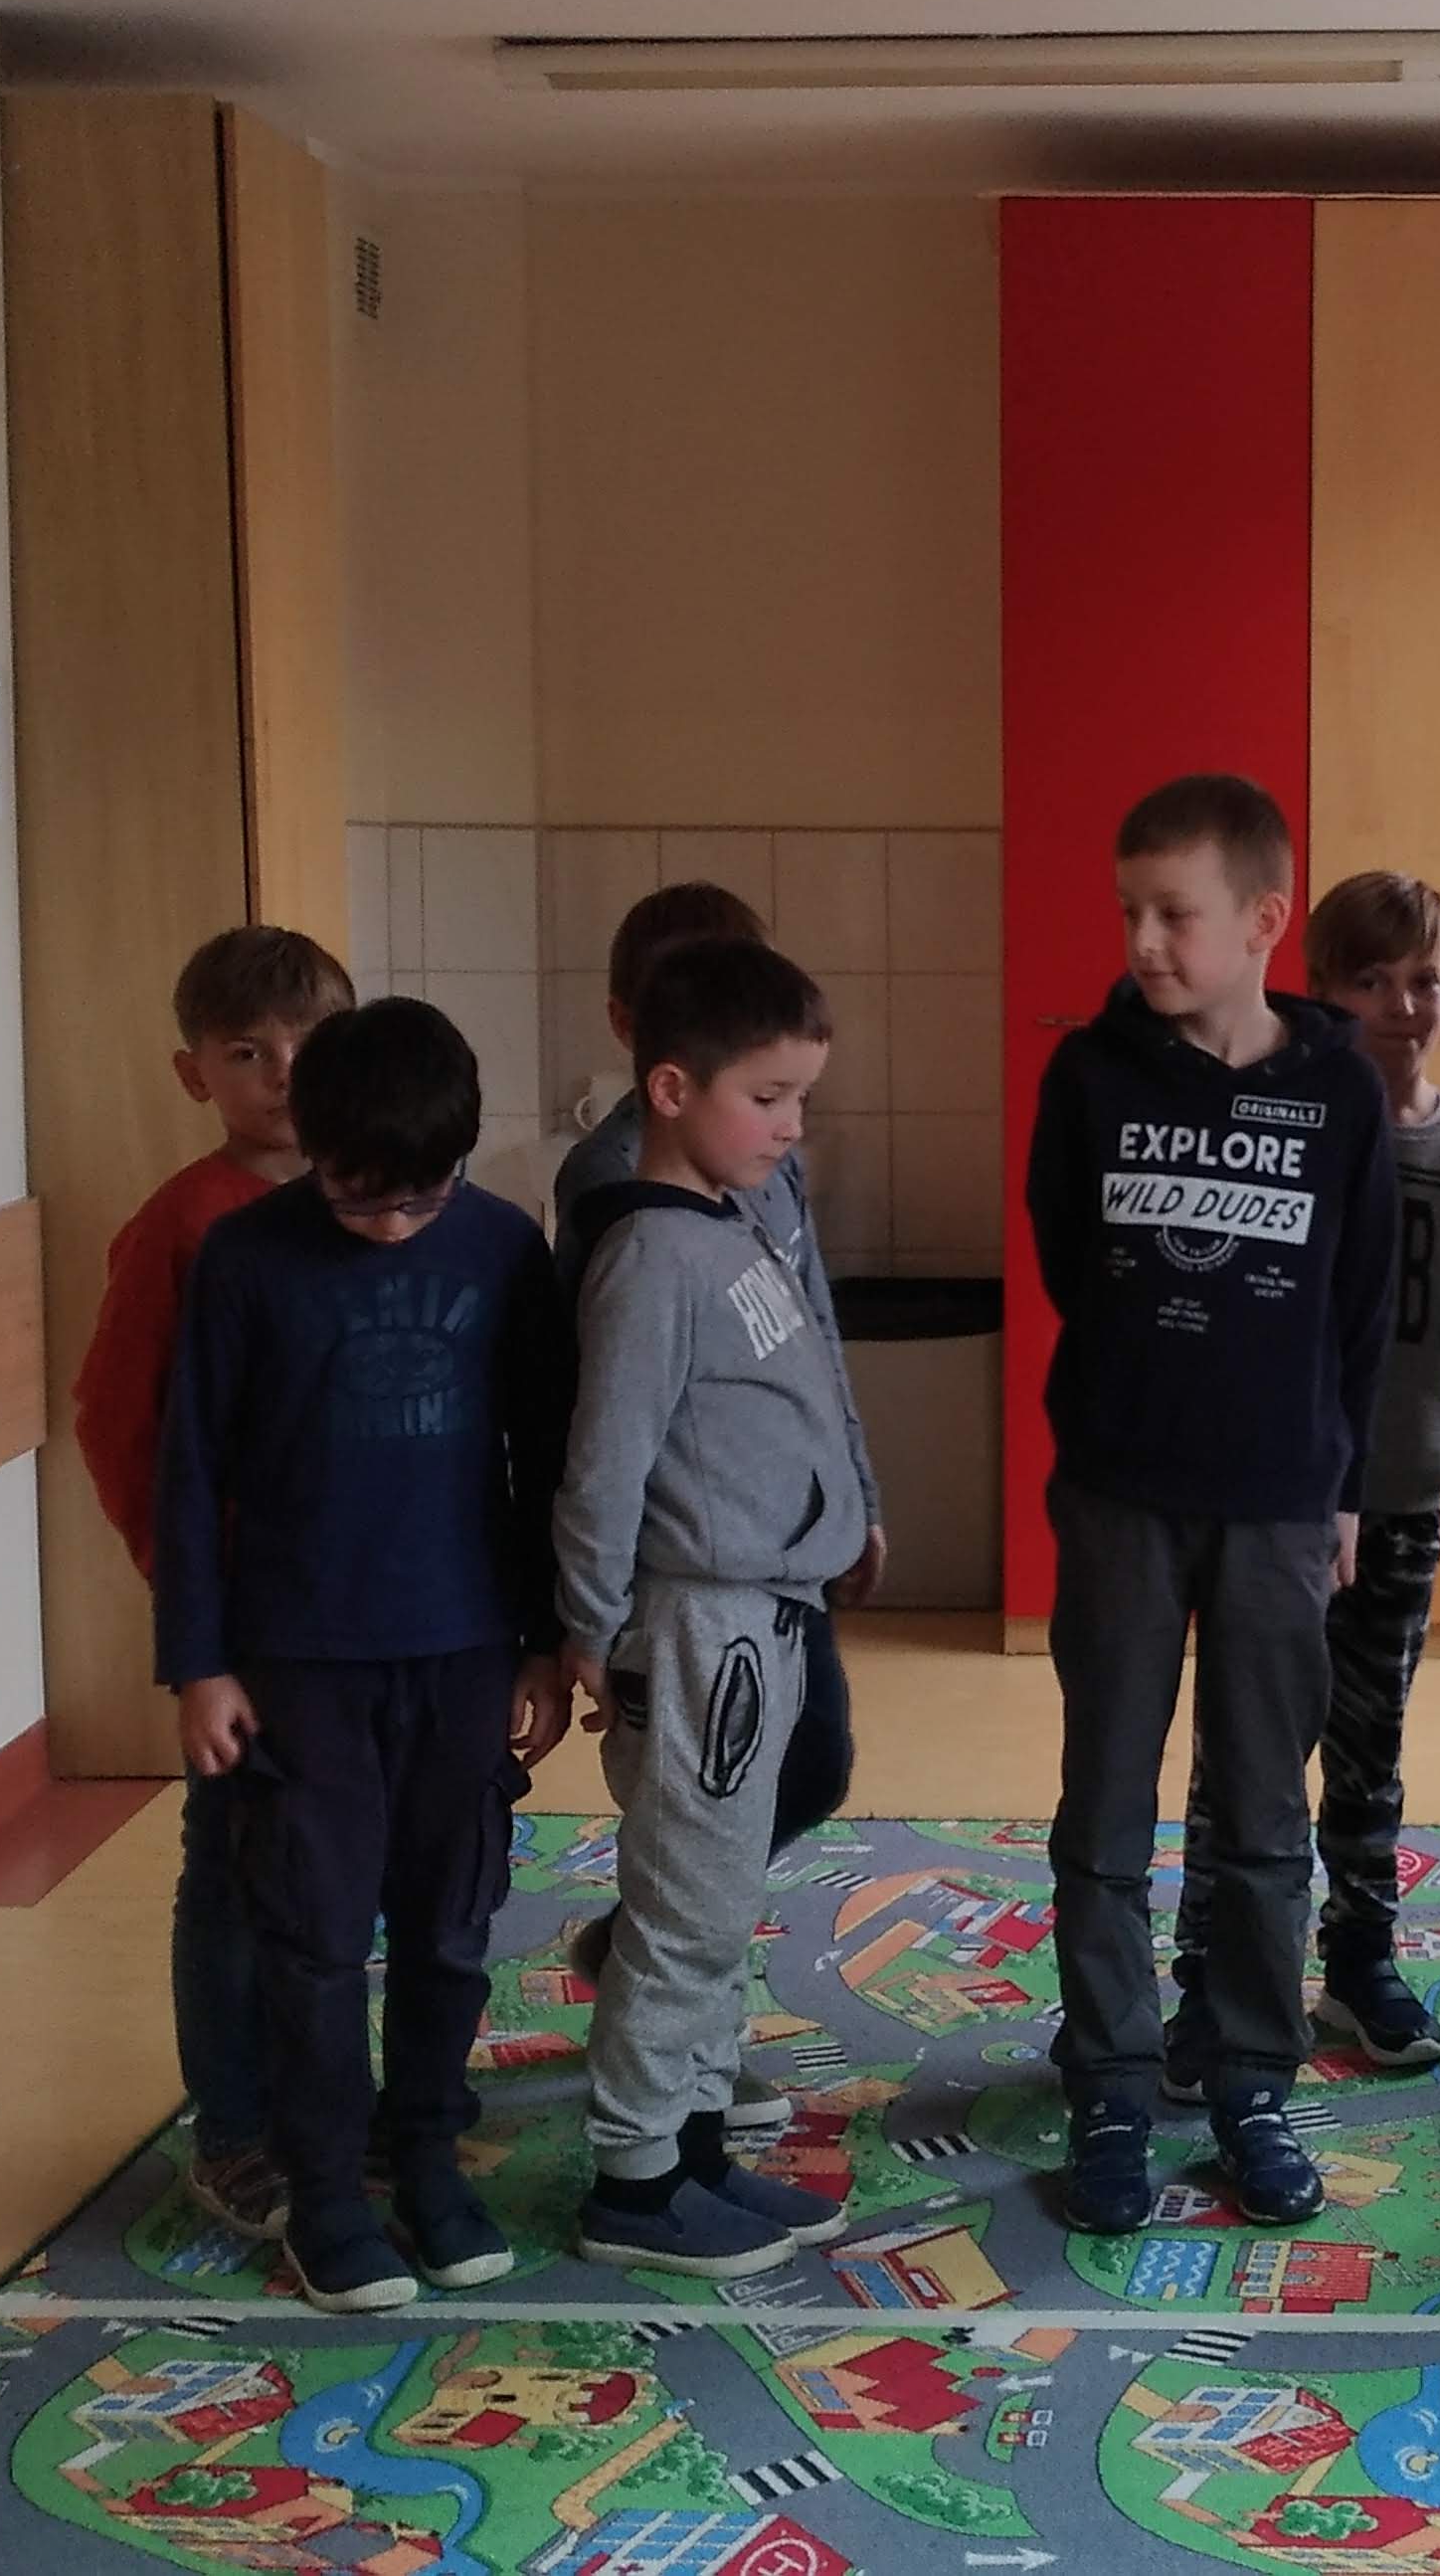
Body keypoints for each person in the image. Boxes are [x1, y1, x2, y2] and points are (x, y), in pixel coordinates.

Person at [154, 996, 576, 2314]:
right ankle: (327, 2190)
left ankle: (429, 2161)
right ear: (307, 1144)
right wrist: (199, 1662)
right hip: (300, 1661)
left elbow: (546, 1453)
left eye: (418, 1196)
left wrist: (549, 1641)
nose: (390, 1221)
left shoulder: (503, 1248)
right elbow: (190, 1470)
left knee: (452, 1928)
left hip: (464, 1648)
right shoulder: (244, 1258)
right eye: (356, 1193)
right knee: (314, 1936)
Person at [1024, 772, 1395, 2237]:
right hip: (1122, 1493)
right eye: (1130, 912)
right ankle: (1113, 2081)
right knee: (1105, 1804)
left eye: (1174, 914)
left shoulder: (1341, 1093)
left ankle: (1248, 2078)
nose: (1144, 943)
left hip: (1280, 1503)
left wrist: (1344, 1489)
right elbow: (1069, 1258)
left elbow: (1360, 1310)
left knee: (1261, 1810)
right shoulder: (1089, 1076)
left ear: (1261, 919)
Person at [552, 938, 878, 2280]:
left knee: (718, 1901)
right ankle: (635, 2181)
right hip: (699, 1627)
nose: (791, 1125)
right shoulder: (648, 1255)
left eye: (802, 1096)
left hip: (764, 1617)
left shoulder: (728, 1226)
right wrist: (588, 1629)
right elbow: (605, 1462)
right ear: (673, 1088)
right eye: (767, 1096)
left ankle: (690, 2150)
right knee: (682, 1909)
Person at [1166, 870, 1440, 2096]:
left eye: (1423, 980)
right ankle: (1209, 1977)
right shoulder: (1289, 1138)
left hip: (1404, 1497)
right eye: (1370, 981)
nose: (1401, 1004)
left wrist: (1410, 1440)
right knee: (1243, 1748)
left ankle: (1359, 1958)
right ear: (1319, 994)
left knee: (1372, 1745)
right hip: (1277, 1501)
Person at [68, 924, 353, 2244]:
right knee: (232, 1866)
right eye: (249, 1052)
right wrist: (191, 1598)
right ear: (196, 1075)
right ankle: (233, 2128)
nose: (284, 1073)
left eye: (308, 1045)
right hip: (244, 1618)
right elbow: (116, 1421)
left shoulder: (381, 1197)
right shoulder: (184, 1224)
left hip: (362, 1608)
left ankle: (327, 2104)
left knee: (340, 1865)